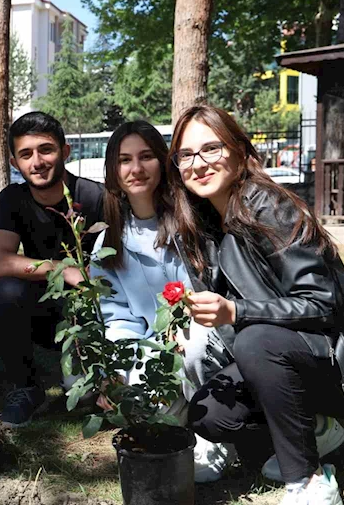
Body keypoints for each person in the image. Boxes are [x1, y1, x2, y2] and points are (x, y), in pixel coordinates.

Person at [167, 105, 344, 505]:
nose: (198, 164)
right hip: (290, 355)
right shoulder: (202, 226)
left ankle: (308, 482)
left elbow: (322, 303)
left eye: (211, 149)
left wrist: (236, 311)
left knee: (257, 340)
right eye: (186, 155)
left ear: (239, 151)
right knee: (209, 412)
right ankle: (316, 426)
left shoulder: (269, 206)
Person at [90, 120, 237, 483]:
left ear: (163, 162)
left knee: (196, 341)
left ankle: (218, 433)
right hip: (155, 348)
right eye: (124, 160)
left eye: (146, 157)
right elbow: (117, 318)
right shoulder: (108, 244)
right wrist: (120, 369)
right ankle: (185, 430)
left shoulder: (195, 223)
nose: (136, 169)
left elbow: (216, 294)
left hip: (210, 337)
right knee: (135, 390)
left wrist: (181, 333)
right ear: (112, 170)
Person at [0, 111, 104, 427]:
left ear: (65, 152)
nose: (36, 162)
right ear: (15, 163)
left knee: (80, 392)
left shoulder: (96, 197)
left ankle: (99, 373)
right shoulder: (13, 199)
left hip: (92, 308)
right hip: (43, 308)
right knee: (6, 292)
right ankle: (25, 388)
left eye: (46, 150)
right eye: (25, 154)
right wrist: (62, 268)